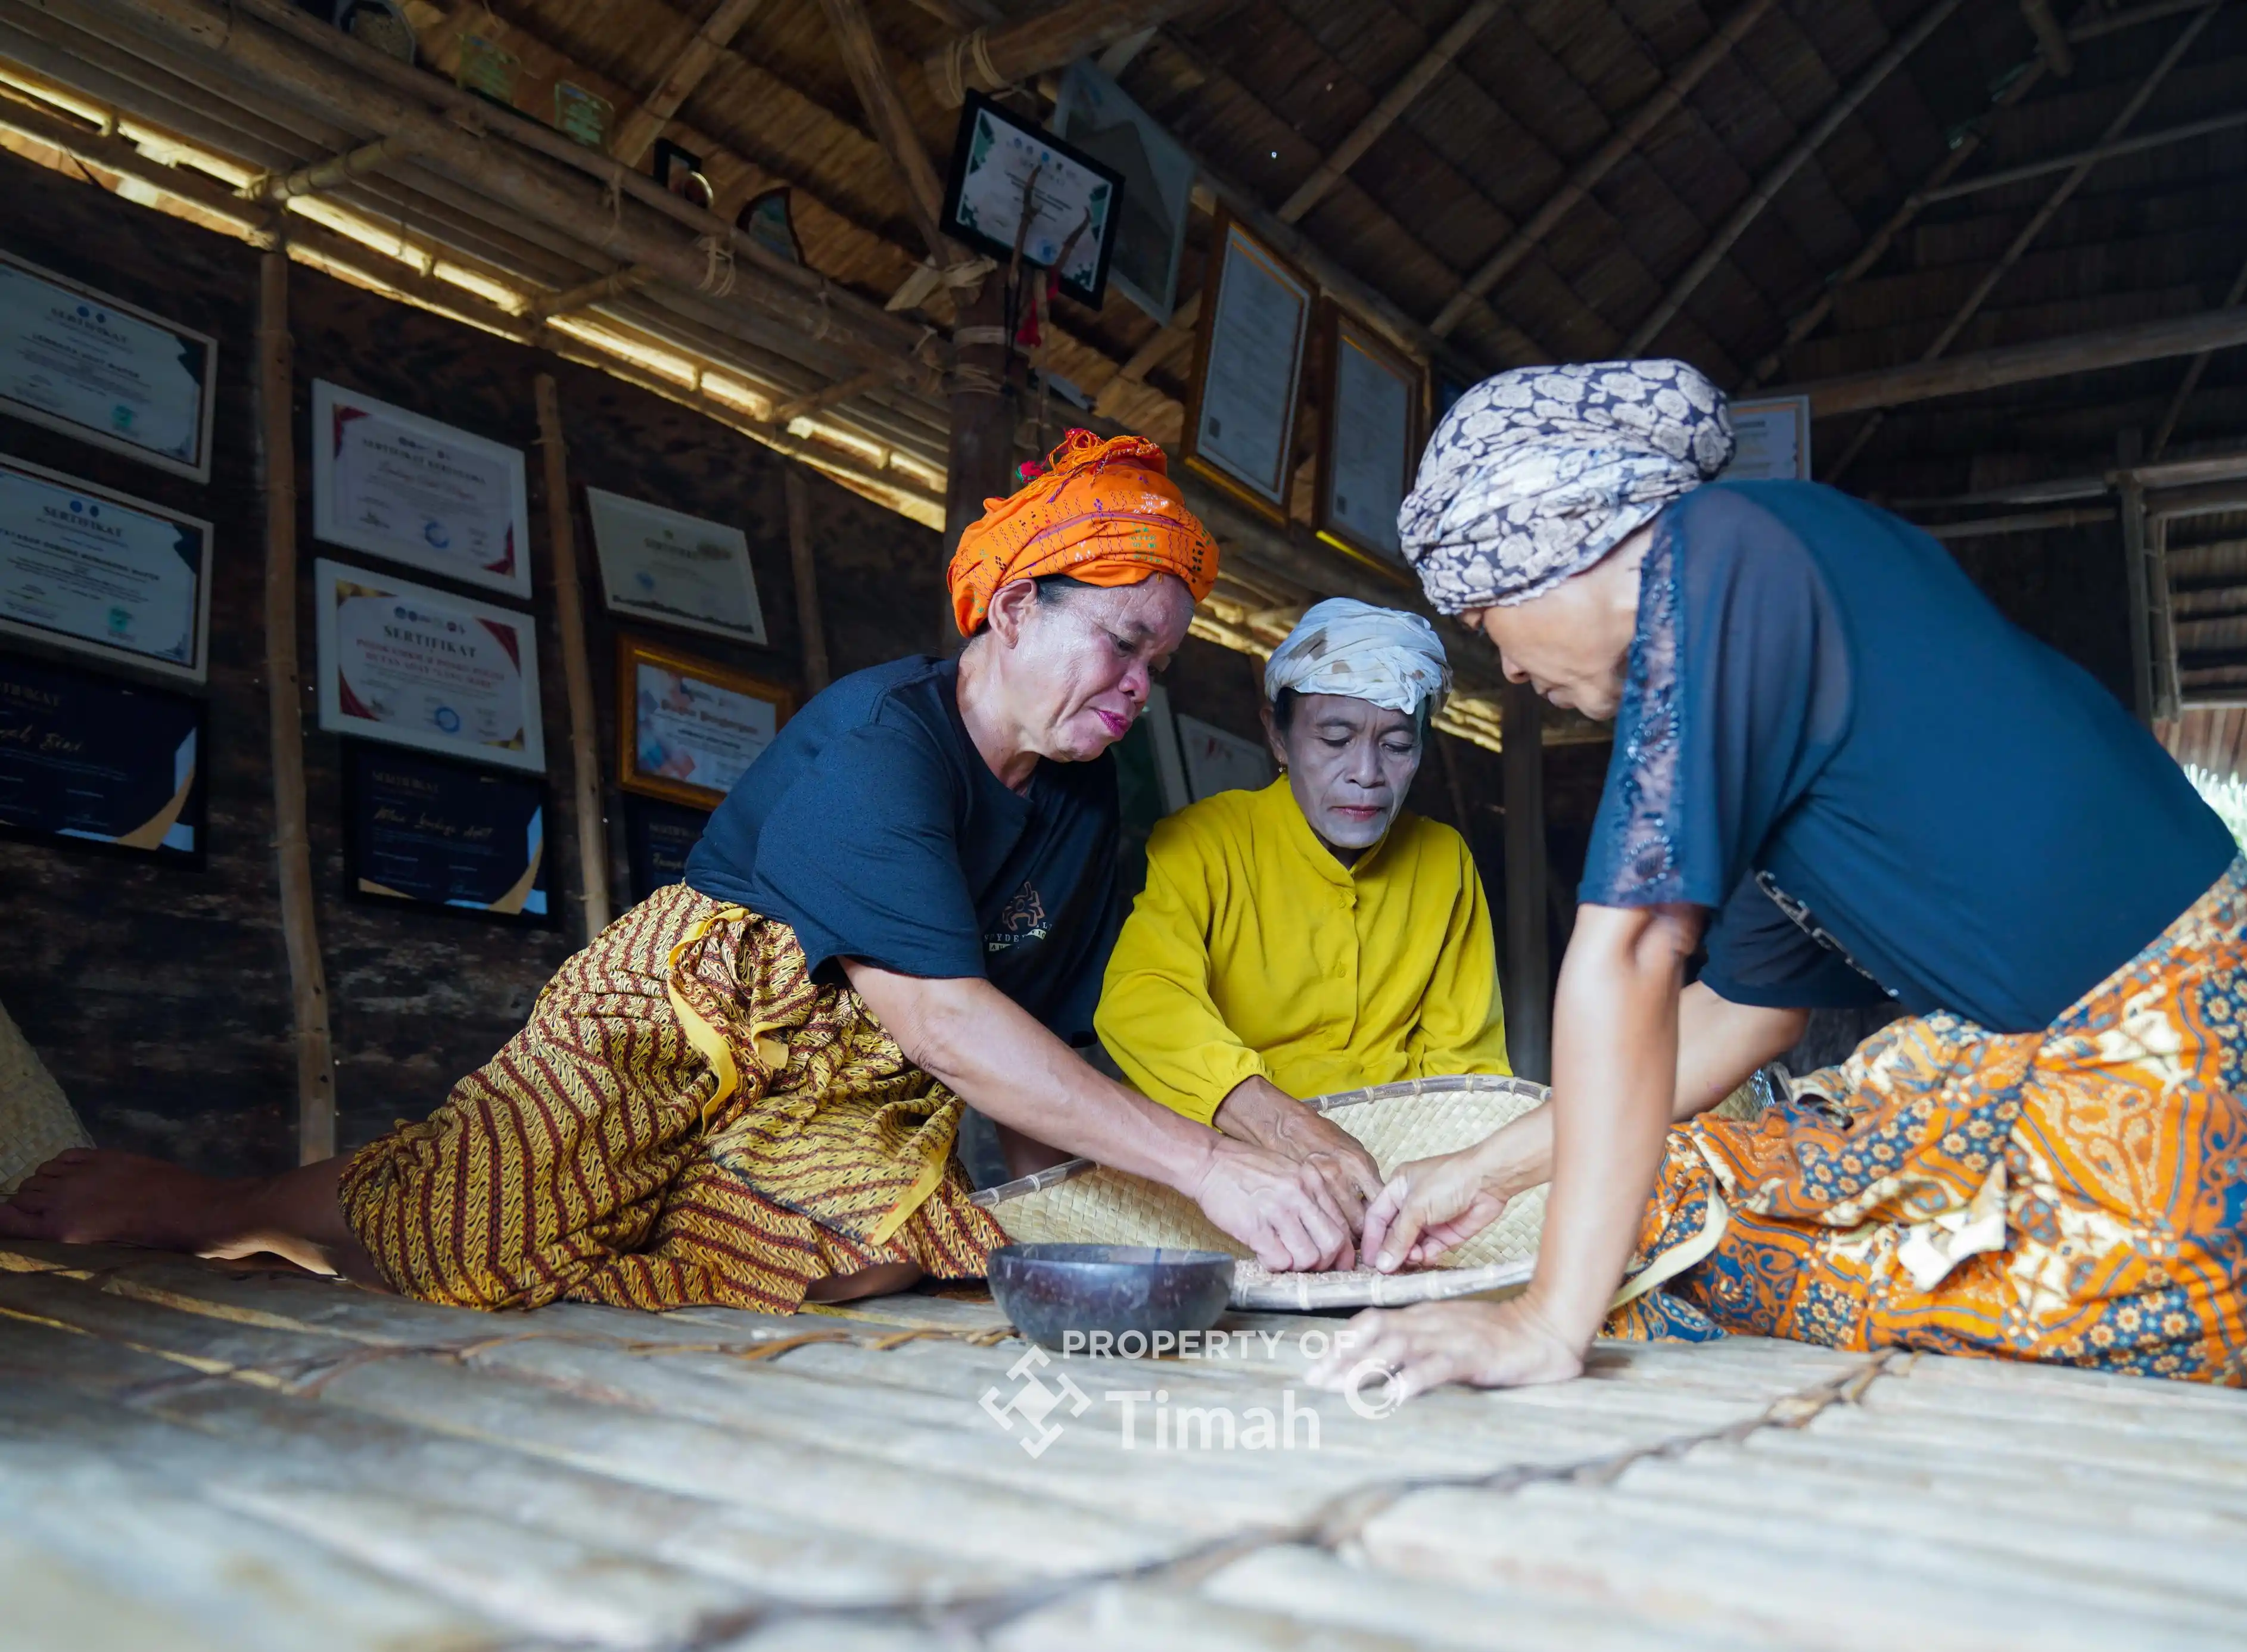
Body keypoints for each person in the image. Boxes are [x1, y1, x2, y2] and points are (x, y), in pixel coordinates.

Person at [0, 431, 1361, 1308]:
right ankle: (216, 1205)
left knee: (864, 1248)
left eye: (1160, 665)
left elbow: (1034, 1055)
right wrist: (1213, 1171)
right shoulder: (877, 743)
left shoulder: (1082, 808)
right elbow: (948, 1019)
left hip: (857, 1073)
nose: (1138, 688)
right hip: (684, 1012)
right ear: (1011, 610)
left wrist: (1078, 1219)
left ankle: (639, 1211)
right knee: (460, 1236)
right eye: (1120, 644)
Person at [1307, 362, 2247, 1399]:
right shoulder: (1791, 594)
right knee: (1691, 1166)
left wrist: (1547, 1319)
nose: (1510, 671)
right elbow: (1738, 1015)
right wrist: (1486, 1170)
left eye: (1487, 619)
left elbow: (1628, 953)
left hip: (2184, 1133)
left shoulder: (1721, 560)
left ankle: (2224, 1287)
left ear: (1556, 547)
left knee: (1672, 1236)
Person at [1097, 598, 1510, 1228]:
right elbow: (1142, 999)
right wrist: (1281, 1124)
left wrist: (1443, 1190)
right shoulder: (1208, 842)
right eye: (1335, 739)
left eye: (1397, 744)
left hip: (1395, 1180)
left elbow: (1465, 1068)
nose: (1366, 775)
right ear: (1276, 734)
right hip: (1237, 1172)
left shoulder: (1443, 862)